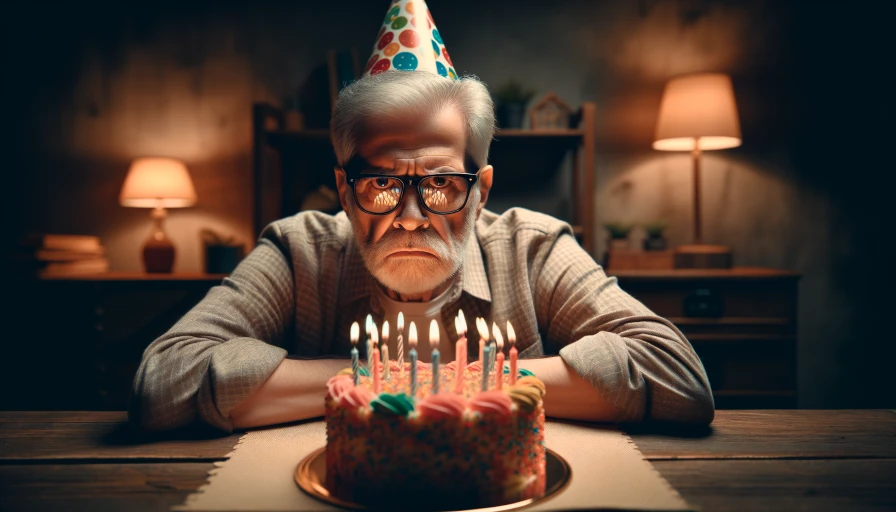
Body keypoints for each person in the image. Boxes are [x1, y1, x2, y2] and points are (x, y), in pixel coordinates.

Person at [128, 1, 713, 434]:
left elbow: (678, 377)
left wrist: (446, 381)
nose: (410, 217)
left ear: (481, 190)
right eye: (381, 183)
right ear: (342, 189)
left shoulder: (532, 247)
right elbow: (163, 382)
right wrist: (394, 381)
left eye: (439, 184)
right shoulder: (298, 250)